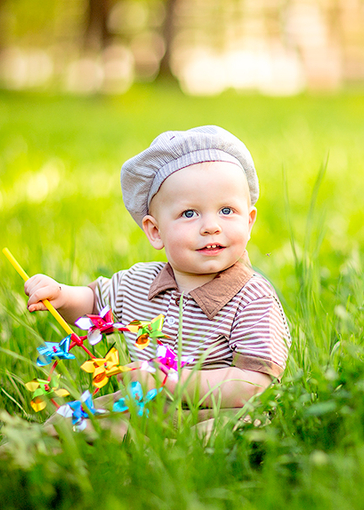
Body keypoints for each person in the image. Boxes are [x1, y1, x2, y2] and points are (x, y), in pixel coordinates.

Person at [25, 125, 290, 416]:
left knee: (217, 432)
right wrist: (61, 296)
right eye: (189, 213)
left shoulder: (252, 298)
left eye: (227, 211)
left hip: (215, 414)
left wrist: (169, 382)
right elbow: (91, 306)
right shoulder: (138, 283)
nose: (211, 226)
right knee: (72, 421)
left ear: (249, 222)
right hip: (144, 407)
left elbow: (254, 385)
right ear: (155, 231)